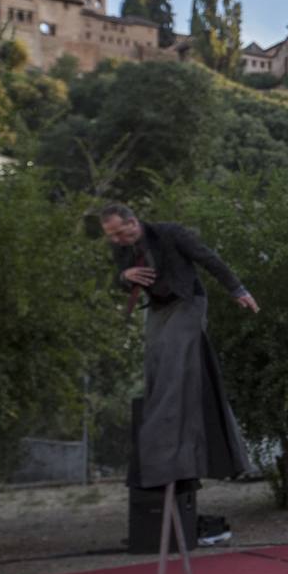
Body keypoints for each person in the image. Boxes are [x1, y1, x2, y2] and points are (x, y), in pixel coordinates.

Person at [101, 204, 257, 493]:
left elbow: (208, 259)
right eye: (111, 236)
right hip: (159, 308)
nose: (116, 240)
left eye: (119, 233)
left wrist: (238, 290)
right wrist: (126, 277)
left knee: (174, 358)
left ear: (133, 223)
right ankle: (159, 443)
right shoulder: (122, 250)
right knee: (155, 365)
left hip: (187, 302)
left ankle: (171, 446)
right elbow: (119, 280)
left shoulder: (170, 234)